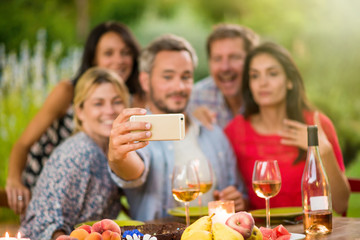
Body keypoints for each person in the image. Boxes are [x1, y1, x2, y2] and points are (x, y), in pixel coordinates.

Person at [6, 21, 144, 214]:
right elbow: (23, 144)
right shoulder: (68, 91)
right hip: (51, 193)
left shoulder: (131, 99)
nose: (119, 60)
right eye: (108, 53)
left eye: (126, 52)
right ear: (93, 58)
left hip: (91, 195)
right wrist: (13, 179)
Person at [107, 34, 248, 222]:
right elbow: (132, 171)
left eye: (186, 76)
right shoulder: (137, 132)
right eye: (168, 77)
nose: (179, 86)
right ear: (144, 81)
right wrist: (118, 157)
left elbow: (239, 194)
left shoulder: (215, 135)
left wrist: (238, 201)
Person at [224, 42, 350, 215]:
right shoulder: (234, 132)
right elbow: (235, 193)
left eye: (272, 74)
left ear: (290, 81)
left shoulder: (316, 124)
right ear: (249, 85)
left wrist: (324, 151)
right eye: (254, 76)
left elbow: (341, 204)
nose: (263, 83)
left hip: (310, 230)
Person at [19, 67, 145, 240]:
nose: (109, 110)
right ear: (80, 111)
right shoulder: (78, 152)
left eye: (117, 101)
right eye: (98, 103)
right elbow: (40, 220)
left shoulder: (107, 149)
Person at [187, 23, 259, 129]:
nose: (225, 67)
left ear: (253, 60)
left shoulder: (265, 96)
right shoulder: (195, 98)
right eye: (217, 58)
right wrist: (191, 124)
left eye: (234, 57)